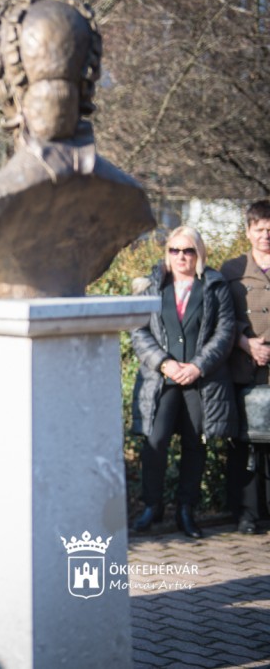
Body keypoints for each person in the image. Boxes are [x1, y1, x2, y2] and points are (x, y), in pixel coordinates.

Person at [131, 225, 236, 539]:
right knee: (155, 440)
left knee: (194, 443)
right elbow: (139, 330)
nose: (181, 256)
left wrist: (198, 366)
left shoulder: (214, 286)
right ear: (167, 253)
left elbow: (225, 332)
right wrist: (164, 363)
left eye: (188, 250)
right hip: (161, 379)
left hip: (200, 380)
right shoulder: (152, 286)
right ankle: (152, 506)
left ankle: (186, 510)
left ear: (198, 253)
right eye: (174, 250)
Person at [221, 200, 270, 534]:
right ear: (248, 231)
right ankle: (247, 514)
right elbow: (220, 315)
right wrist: (245, 342)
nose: (265, 235)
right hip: (242, 366)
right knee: (244, 444)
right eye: (259, 229)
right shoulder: (232, 269)